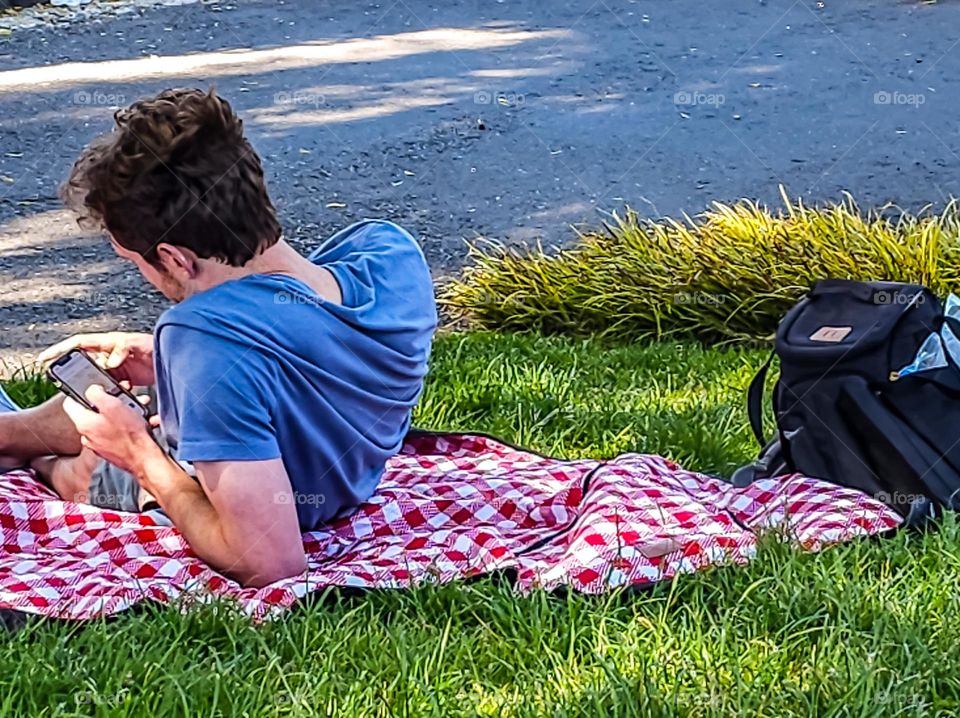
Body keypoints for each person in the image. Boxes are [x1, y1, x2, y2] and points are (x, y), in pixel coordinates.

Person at [0, 88, 437, 587]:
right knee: (124, 398)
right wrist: (168, 361)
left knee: (91, 462)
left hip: (244, 499)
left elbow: (270, 562)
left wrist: (140, 457)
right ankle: (15, 433)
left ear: (177, 258)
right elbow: (312, 340)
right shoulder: (389, 254)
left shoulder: (206, 337)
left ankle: (33, 454)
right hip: (341, 477)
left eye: (136, 261)